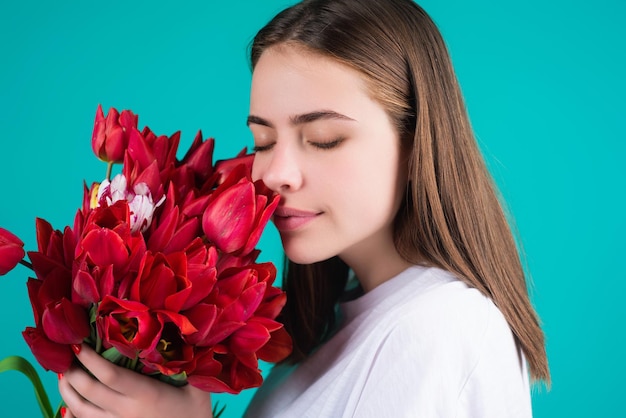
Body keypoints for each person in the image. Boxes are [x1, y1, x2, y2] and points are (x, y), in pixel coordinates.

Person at [58, 0, 550, 416]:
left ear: (418, 143)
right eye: (264, 140)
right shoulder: (327, 330)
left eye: (323, 139)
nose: (274, 175)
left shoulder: (441, 326)